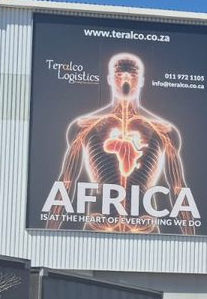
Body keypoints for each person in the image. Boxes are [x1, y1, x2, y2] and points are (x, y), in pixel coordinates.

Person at [46, 52, 194, 234]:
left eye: (132, 75)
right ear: (109, 79)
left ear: (141, 80)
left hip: (143, 224)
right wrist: (48, 235)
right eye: (119, 75)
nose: (125, 80)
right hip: (100, 222)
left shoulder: (164, 131)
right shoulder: (84, 126)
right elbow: (66, 183)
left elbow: (178, 188)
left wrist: (192, 241)